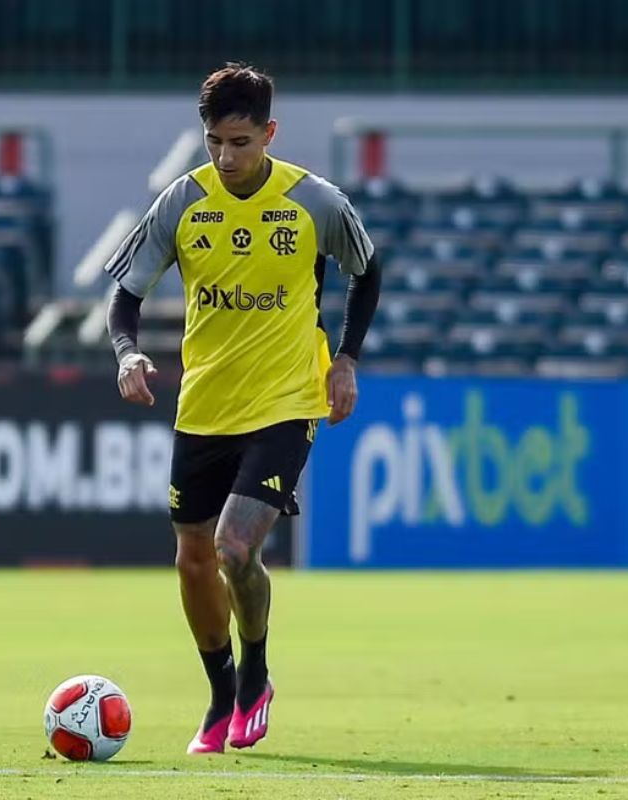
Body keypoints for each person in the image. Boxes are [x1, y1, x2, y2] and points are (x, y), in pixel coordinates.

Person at [103, 63, 381, 754]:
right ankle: (222, 691)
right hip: (205, 402)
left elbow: (366, 270)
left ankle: (256, 675)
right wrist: (126, 353)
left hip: (288, 397)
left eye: (239, 142)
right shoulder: (182, 202)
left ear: (269, 134)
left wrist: (344, 360)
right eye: (214, 142)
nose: (226, 157)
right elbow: (126, 295)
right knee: (193, 558)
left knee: (234, 546)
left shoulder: (314, 202)